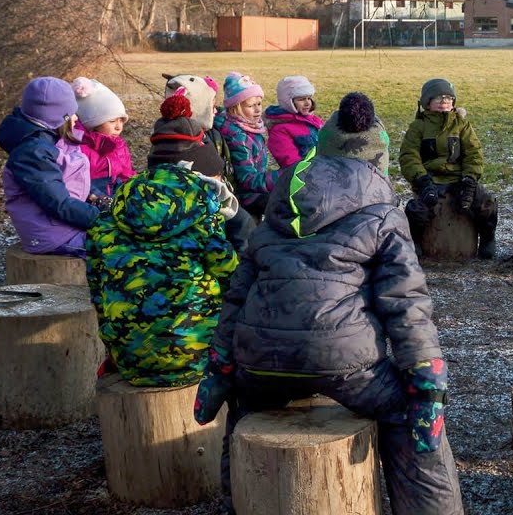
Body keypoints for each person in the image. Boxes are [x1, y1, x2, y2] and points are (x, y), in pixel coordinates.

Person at [195, 92, 463, 515]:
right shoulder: (383, 211)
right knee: (407, 419)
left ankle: (238, 504)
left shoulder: (280, 205)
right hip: (345, 360)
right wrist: (426, 380)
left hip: (261, 357)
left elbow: (239, 290)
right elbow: (406, 300)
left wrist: (221, 365)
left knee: (242, 413)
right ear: (378, 160)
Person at [85, 91, 238, 387]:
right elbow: (231, 276)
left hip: (129, 358)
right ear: (200, 172)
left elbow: (97, 293)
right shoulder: (202, 215)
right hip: (197, 357)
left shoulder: (110, 217)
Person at [0, 77, 101, 257]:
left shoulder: (47, 139)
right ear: (57, 118)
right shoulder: (32, 153)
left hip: (66, 226)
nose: (76, 118)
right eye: (71, 113)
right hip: (55, 236)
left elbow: (71, 181)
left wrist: (100, 200)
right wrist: (106, 219)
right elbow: (59, 204)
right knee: (126, 250)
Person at [400, 78, 498, 259]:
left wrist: (470, 180)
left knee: (486, 202)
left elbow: (474, 153)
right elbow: (408, 156)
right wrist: (422, 180)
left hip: (459, 179)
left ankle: (487, 237)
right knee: (417, 210)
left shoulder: (461, 125)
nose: (444, 101)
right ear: (427, 102)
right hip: (430, 180)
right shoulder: (418, 127)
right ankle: (415, 241)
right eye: (438, 98)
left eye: (448, 98)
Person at [165, 74, 254, 252]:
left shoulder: (172, 133)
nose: (215, 111)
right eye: (211, 107)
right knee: (243, 223)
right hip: (201, 208)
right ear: (198, 110)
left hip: (202, 203)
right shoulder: (185, 141)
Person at [215, 72, 277, 219]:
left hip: (256, 188)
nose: (258, 110)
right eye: (251, 106)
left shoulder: (249, 127)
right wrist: (280, 176)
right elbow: (247, 179)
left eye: (259, 104)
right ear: (234, 109)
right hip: (247, 196)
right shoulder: (238, 137)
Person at [71, 77, 135, 198]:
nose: (119, 127)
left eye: (122, 120)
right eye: (112, 121)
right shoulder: (78, 147)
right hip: (91, 199)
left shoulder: (119, 145)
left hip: (118, 195)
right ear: (92, 123)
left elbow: (127, 174)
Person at [265, 75, 324, 168]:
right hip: (305, 175)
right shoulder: (280, 129)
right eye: (301, 99)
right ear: (288, 101)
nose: (307, 103)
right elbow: (291, 163)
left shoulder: (314, 120)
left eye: (309, 98)